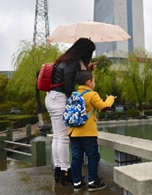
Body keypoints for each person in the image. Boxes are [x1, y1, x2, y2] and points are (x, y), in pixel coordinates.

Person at [45, 38, 97, 186]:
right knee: (63, 138)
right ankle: (66, 172)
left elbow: (71, 77)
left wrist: (88, 69)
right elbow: (69, 86)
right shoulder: (72, 62)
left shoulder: (65, 59)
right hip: (60, 98)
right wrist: (74, 103)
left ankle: (58, 170)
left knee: (57, 137)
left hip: (51, 97)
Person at [69, 70, 116, 192]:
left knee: (76, 158)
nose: (94, 83)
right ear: (89, 82)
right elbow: (104, 107)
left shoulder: (73, 95)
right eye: (93, 80)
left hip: (73, 133)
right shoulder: (92, 94)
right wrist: (110, 99)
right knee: (93, 156)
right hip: (88, 133)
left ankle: (77, 182)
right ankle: (93, 181)